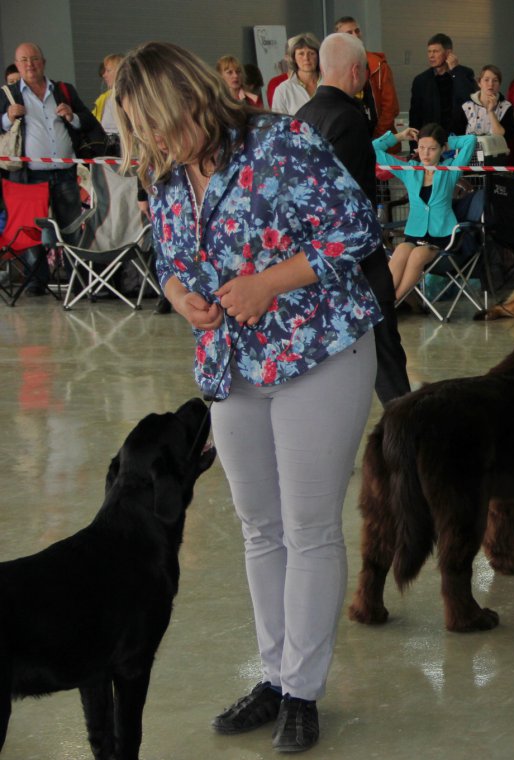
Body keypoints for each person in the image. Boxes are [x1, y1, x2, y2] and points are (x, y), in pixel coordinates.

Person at [115, 41, 382, 752]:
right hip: (231, 363)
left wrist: (271, 282)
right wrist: (179, 295)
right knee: (258, 526)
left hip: (319, 350)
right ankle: (273, 673)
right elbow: (167, 255)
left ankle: (303, 689)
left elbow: (357, 228)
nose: (153, 144)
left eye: (159, 126)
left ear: (189, 98)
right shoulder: (168, 174)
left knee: (309, 526)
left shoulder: (280, 142)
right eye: (143, 133)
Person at [296, 33, 410, 405]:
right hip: (353, 256)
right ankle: (406, 437)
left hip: (310, 257)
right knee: (386, 354)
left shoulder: (302, 115)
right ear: (357, 71)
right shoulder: (349, 117)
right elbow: (343, 200)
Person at [0, 42, 90, 294]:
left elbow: (87, 121)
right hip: (28, 176)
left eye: (35, 59)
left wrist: (73, 116)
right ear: (17, 65)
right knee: (30, 232)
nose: (30, 64)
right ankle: (35, 283)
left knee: (71, 228)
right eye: (24, 60)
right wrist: (7, 117)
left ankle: (77, 282)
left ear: (44, 62)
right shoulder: (7, 93)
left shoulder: (63, 90)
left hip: (65, 173)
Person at [373, 123, 476, 300]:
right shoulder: (409, 169)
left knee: (417, 255)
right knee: (401, 251)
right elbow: (373, 149)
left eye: (432, 149)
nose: (425, 154)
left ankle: (393, 302)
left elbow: (471, 140)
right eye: (421, 147)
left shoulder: (450, 169)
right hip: (414, 233)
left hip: (443, 236)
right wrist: (398, 137)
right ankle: (383, 299)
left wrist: (447, 142)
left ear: (442, 149)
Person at [334, 16, 400, 141]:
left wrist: (377, 139)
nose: (355, 35)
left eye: (357, 31)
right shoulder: (334, 67)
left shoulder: (379, 65)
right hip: (348, 137)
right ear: (339, 38)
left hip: (380, 139)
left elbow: (390, 107)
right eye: (349, 33)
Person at [409, 33, 475, 136]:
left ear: (448, 53)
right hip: (431, 139)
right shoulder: (421, 80)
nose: (431, 56)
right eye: (429, 51)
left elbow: (470, 98)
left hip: (459, 137)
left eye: (435, 51)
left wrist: (455, 71)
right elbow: (415, 116)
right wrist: (414, 145)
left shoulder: (464, 74)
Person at [455, 64, 514, 139]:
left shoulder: (506, 107)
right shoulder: (466, 106)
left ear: (499, 84)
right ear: (479, 83)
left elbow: (504, 137)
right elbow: (457, 136)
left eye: (495, 80)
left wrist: (491, 112)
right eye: (486, 80)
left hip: (497, 150)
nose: (491, 84)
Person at [271, 33, 320, 116]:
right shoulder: (283, 90)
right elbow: (279, 124)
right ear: (294, 58)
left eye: (311, 53)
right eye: (301, 54)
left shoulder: (330, 84)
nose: (306, 58)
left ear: (318, 56)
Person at [92, 53, 124, 150]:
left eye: (108, 71)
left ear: (120, 71)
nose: (104, 75)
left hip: (121, 147)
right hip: (105, 145)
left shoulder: (128, 96)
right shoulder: (104, 98)